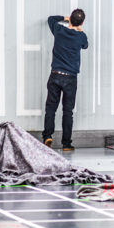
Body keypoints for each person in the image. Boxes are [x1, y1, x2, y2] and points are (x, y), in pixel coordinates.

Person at [42, 8, 88, 152]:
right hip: (70, 78)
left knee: (51, 108)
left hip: (55, 74)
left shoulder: (59, 30)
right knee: (68, 111)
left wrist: (65, 18)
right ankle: (66, 144)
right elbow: (85, 45)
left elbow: (51, 18)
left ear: (70, 19)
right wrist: (79, 29)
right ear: (82, 22)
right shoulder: (80, 36)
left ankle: (47, 136)